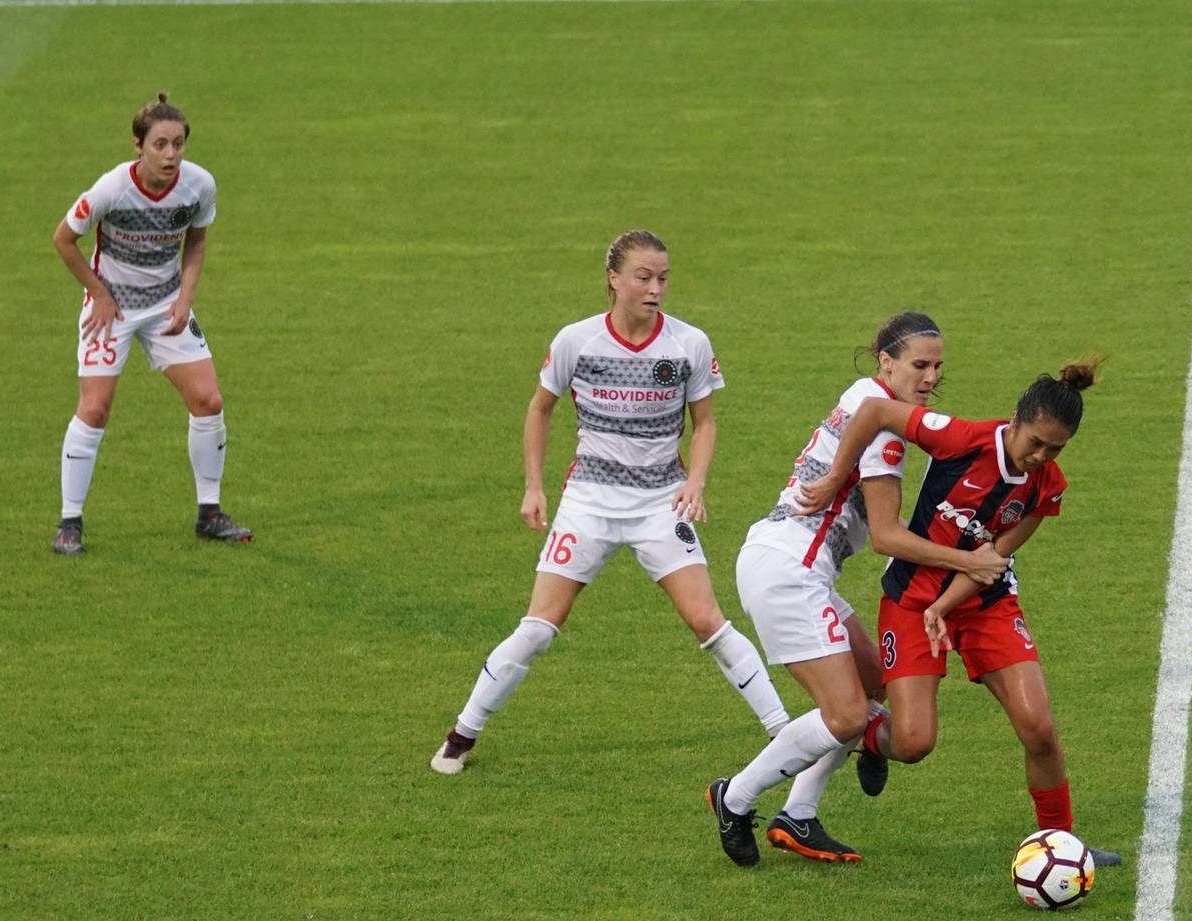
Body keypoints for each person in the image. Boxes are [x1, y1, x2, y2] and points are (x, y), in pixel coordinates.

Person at [430, 230, 786, 773]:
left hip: (660, 504)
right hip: (589, 504)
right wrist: (533, 486)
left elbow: (706, 423)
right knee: (539, 627)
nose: (655, 289)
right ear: (614, 279)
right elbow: (540, 408)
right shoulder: (577, 341)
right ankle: (461, 736)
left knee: (708, 622)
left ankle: (785, 733)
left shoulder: (689, 344)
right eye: (643, 277)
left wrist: (696, 482)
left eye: (662, 278)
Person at [781, 361, 1124, 866]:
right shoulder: (961, 439)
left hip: (984, 604)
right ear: (1015, 419)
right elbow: (874, 410)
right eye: (1035, 442)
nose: (1040, 457)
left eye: (1055, 449)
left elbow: (992, 561)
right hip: (911, 602)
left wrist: (946, 604)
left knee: (1039, 727)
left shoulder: (1047, 485)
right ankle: (872, 741)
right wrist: (836, 476)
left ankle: (1062, 844)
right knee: (914, 742)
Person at [705, 312, 1011, 866]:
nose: (930, 377)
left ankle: (799, 814)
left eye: (938, 367)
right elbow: (887, 537)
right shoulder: (884, 435)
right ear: (885, 361)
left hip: (794, 564)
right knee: (847, 715)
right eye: (919, 365)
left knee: (875, 685)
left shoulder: (863, 396)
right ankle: (736, 797)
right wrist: (971, 560)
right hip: (788, 572)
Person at [51, 93, 249, 554]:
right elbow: (63, 240)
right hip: (112, 308)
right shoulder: (111, 189)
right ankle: (69, 523)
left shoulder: (199, 185)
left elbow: (196, 242)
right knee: (95, 409)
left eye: (178, 144)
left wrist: (184, 299)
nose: (170, 154)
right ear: (138, 145)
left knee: (208, 400)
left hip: (165, 306)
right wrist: (99, 294)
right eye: (160, 144)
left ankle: (209, 514)